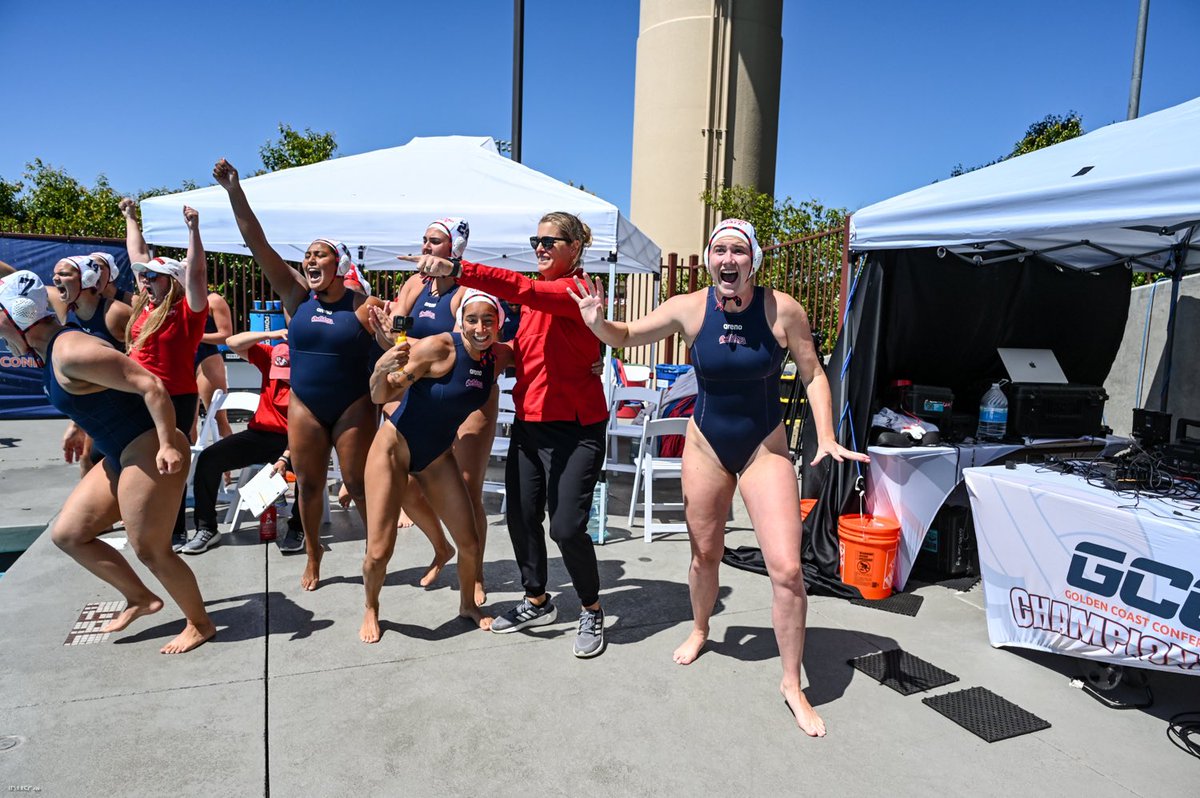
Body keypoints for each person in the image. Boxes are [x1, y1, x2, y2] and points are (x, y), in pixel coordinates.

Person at [567, 218, 870, 735]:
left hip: (765, 450)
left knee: (787, 570)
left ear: (753, 259)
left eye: (738, 251)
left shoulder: (782, 309)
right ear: (709, 258)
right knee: (705, 554)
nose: (728, 259)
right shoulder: (689, 307)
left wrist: (826, 434)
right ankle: (702, 628)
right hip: (705, 446)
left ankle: (792, 682)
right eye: (719, 250)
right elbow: (625, 335)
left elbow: (815, 372)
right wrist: (597, 321)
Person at [404, 211, 610, 659]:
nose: (539, 247)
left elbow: (524, 289)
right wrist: (481, 347)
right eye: (536, 239)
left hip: (577, 428)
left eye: (549, 241)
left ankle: (591, 607)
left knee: (567, 526)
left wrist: (461, 270)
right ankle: (537, 599)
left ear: (574, 249)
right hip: (532, 423)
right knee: (519, 516)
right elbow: (523, 351)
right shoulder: (539, 303)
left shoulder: (575, 289)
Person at [0, 271, 215, 653]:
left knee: (150, 548)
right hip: (120, 451)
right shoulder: (50, 347)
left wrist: (167, 443)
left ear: (16, 316)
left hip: (148, 447)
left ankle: (200, 624)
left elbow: (150, 385)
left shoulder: (71, 350)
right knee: (68, 534)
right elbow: (92, 392)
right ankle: (141, 599)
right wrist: (76, 426)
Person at [213, 158, 383, 590]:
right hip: (306, 404)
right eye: (307, 254)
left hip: (352, 405)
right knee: (305, 486)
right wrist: (234, 189)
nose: (309, 259)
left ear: (339, 264)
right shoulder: (295, 295)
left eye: (319, 254)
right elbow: (257, 242)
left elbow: (393, 344)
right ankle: (313, 554)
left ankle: (373, 553)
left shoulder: (362, 305)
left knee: (356, 483)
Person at [360, 290, 513, 641]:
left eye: (487, 321)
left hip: (436, 456)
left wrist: (593, 364)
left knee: (470, 543)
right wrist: (380, 371)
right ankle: (371, 606)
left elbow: (545, 355)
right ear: (460, 321)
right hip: (393, 449)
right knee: (379, 552)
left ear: (498, 325)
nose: (479, 328)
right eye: (471, 320)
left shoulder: (498, 356)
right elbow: (381, 395)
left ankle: (467, 606)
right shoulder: (441, 348)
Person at [122, 202, 211, 552]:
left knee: (169, 465)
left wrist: (193, 229)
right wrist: (131, 219)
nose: (144, 279)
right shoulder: (143, 306)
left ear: (173, 282)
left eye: (152, 276)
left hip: (175, 398)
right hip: (138, 396)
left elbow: (198, 274)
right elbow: (136, 254)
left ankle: (173, 533)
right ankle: (142, 525)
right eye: (142, 276)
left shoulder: (187, 312)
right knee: (137, 462)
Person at [183, 327, 304, 554]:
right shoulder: (270, 356)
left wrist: (284, 458)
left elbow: (306, 428)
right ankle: (207, 528)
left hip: (297, 440)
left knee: (307, 471)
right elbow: (232, 341)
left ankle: (297, 528)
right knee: (209, 458)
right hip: (260, 435)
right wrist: (273, 334)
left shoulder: (311, 368)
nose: (282, 381)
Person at [46, 255, 133, 476]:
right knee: (88, 460)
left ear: (86, 279)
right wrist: (76, 423)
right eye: (55, 274)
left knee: (106, 461)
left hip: (123, 407)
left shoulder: (116, 314)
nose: (56, 278)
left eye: (64, 274)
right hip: (91, 406)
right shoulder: (66, 309)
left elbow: (148, 361)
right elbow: (16, 279)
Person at [192, 289, 234, 442]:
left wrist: (195, 336)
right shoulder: (174, 299)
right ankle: (190, 465)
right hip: (183, 360)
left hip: (206, 358)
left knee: (219, 419)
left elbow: (226, 335)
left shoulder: (213, 300)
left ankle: (228, 464)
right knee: (188, 422)